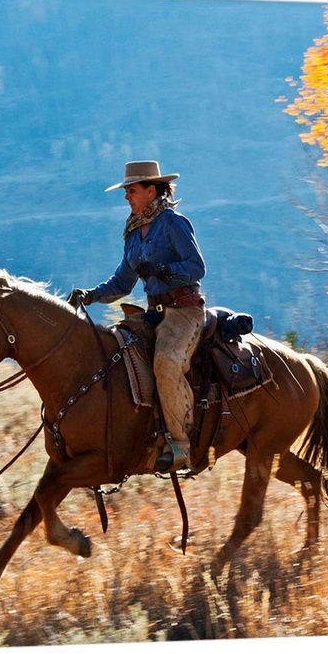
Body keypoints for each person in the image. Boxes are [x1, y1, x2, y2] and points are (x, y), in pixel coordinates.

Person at [68, 160, 206, 473]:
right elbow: (121, 283)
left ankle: (182, 446)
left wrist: (163, 270)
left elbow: (197, 267)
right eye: (127, 191)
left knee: (165, 363)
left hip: (184, 311)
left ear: (151, 189)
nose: (126, 196)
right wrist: (90, 295)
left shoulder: (174, 223)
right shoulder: (133, 233)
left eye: (131, 190)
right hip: (155, 314)